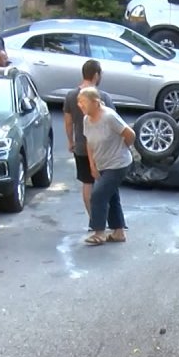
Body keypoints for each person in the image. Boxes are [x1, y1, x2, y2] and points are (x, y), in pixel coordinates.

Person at [78, 87, 135, 246]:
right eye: (79, 102)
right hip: (102, 164)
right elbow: (89, 143)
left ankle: (99, 232)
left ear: (95, 103)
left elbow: (130, 134)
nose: (80, 105)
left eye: (83, 102)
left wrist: (123, 148)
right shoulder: (86, 119)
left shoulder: (109, 116)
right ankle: (118, 232)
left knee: (98, 195)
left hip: (118, 164)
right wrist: (92, 165)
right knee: (111, 196)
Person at [65, 60, 117, 227]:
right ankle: (109, 221)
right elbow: (114, 123)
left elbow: (68, 121)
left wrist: (70, 141)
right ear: (96, 75)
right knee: (106, 184)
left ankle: (93, 220)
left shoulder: (71, 95)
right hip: (102, 148)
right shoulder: (103, 97)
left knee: (87, 183)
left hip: (81, 147)